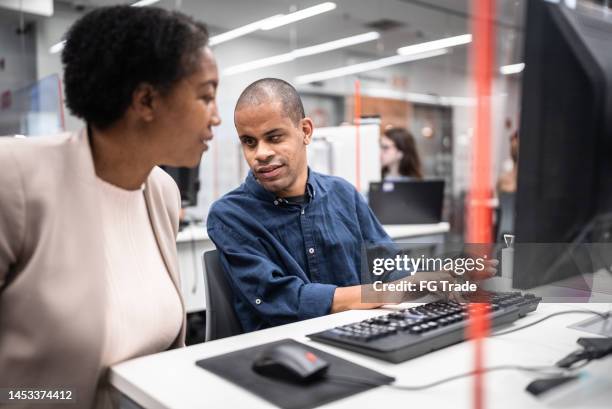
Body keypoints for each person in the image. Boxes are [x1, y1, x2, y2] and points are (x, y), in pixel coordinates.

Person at [0, 6, 220, 409]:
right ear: (146, 100)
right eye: (206, 96)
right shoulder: (14, 179)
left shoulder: (161, 192)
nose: (217, 117)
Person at [207, 79, 457, 333]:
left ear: (305, 131)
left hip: (363, 337)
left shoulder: (343, 194)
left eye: (274, 137)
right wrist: (391, 291)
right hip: (284, 352)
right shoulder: (230, 216)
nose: (260, 153)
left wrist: (440, 279)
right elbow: (283, 300)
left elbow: (390, 266)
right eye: (249, 142)